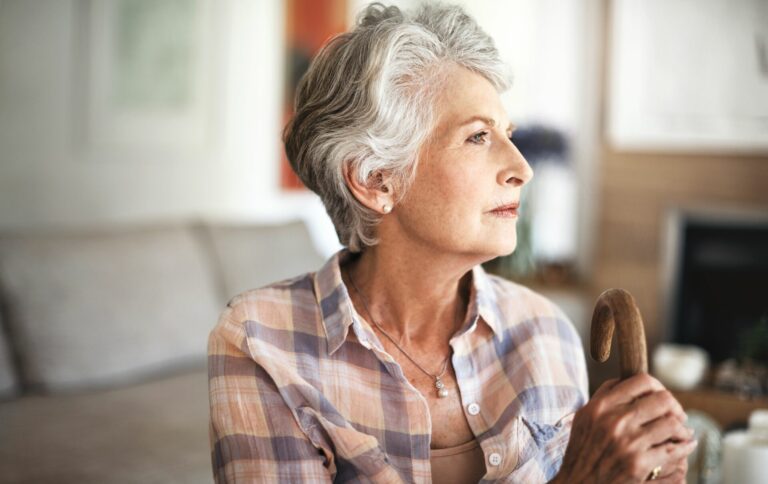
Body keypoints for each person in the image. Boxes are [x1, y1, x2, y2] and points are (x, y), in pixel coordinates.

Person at [207, 2, 696, 482]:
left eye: (508, 133)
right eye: (478, 137)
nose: (522, 169)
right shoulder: (261, 342)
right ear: (377, 179)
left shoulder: (545, 331)